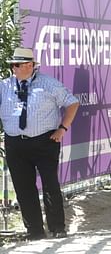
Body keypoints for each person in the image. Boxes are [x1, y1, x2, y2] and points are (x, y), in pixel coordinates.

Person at [0, 47, 79, 240]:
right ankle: (34, 230)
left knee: (50, 184)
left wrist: (63, 128)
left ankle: (57, 227)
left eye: (17, 65)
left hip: (45, 141)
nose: (13, 68)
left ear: (29, 65)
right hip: (15, 143)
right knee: (23, 187)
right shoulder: (4, 85)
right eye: (12, 65)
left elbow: (72, 103)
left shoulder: (49, 84)